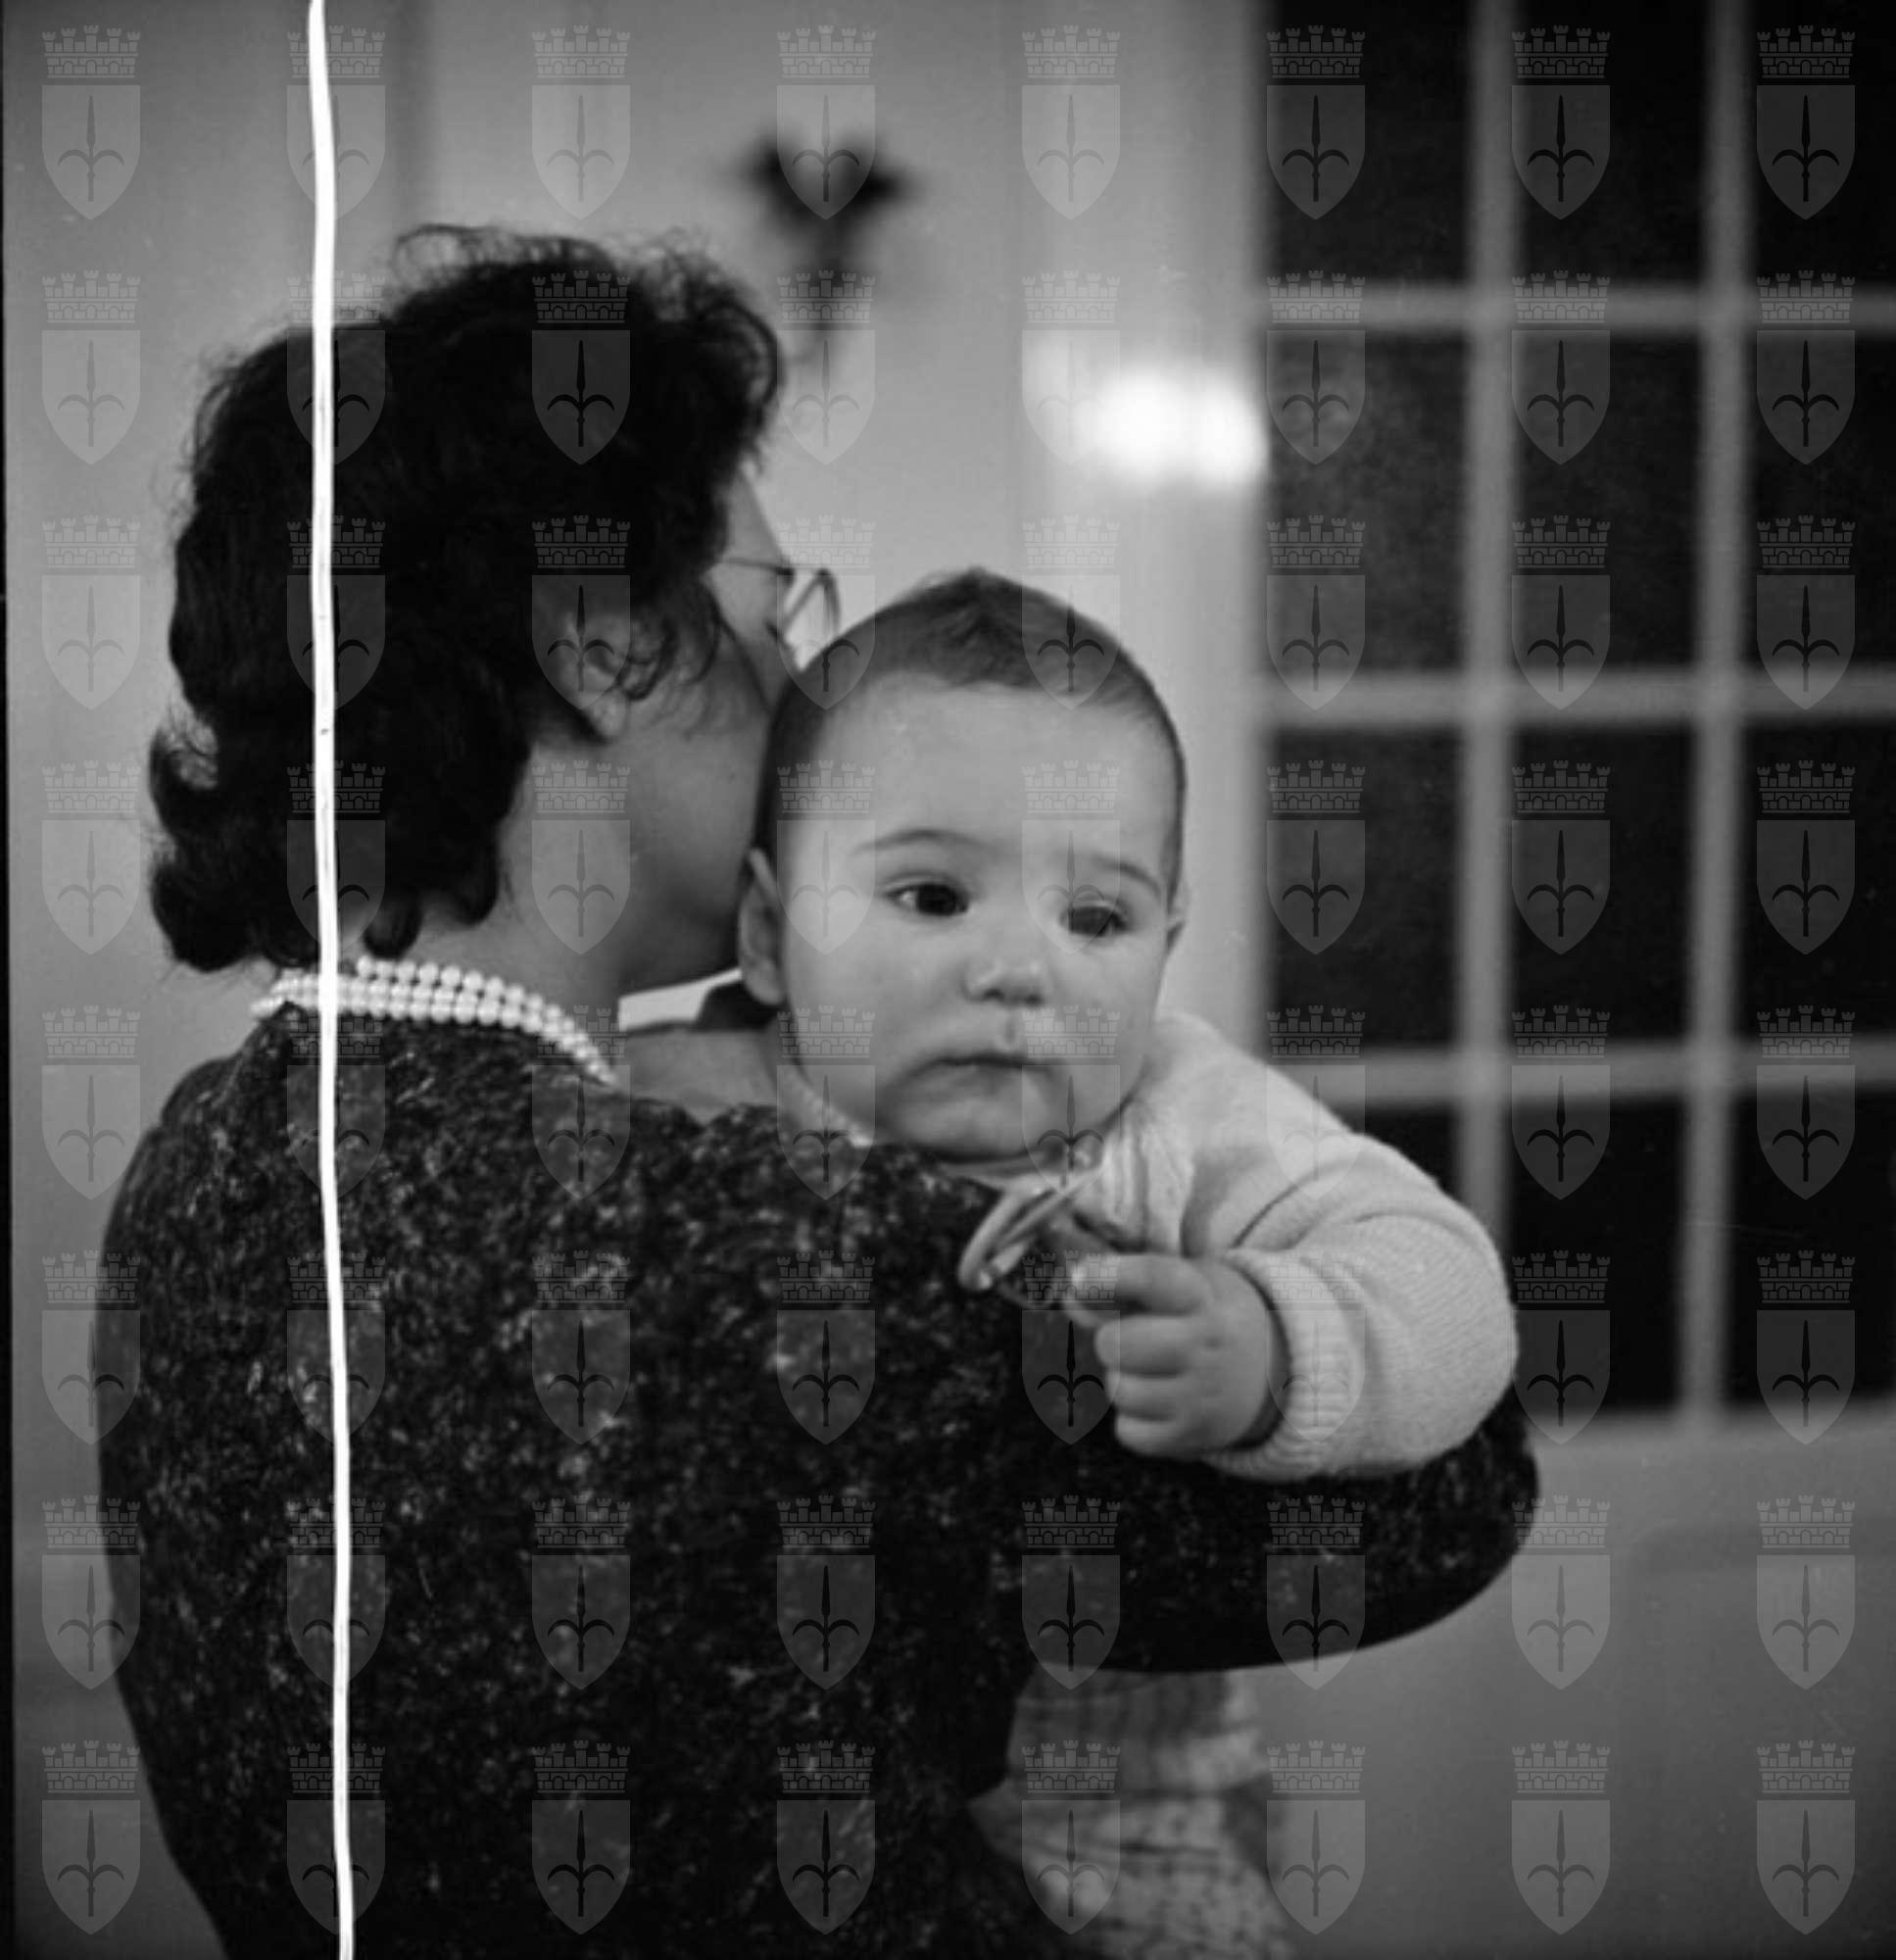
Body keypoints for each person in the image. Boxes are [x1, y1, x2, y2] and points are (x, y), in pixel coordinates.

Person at [98, 225, 1535, 1957]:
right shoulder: (762, 1235)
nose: (802, 700)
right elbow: (1444, 1503)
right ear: (604, 639)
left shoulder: (195, 1170)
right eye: (776, 615)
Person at [615, 571, 1520, 1953]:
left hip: (1128, 1811)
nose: (1019, 970)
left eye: (1096, 920)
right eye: (933, 895)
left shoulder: (1171, 1114)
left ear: (1165, 948)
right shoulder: (687, 1102)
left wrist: (1274, 1341)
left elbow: (1453, 1293)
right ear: (765, 936)